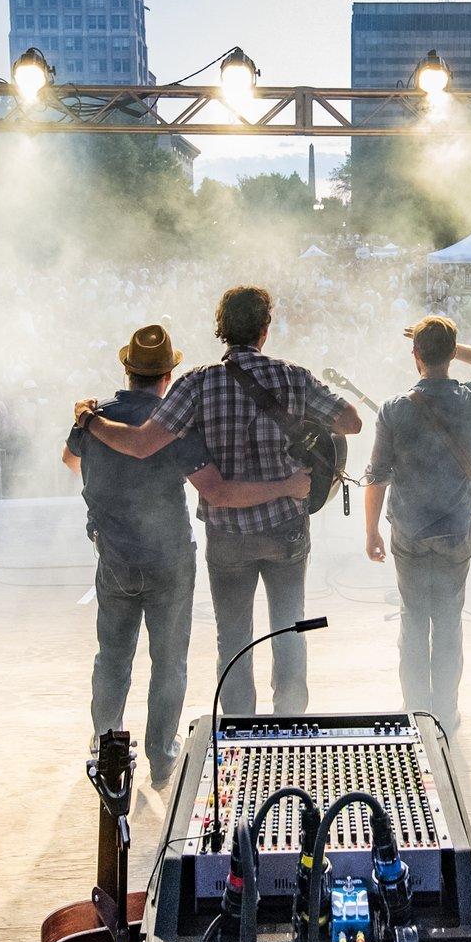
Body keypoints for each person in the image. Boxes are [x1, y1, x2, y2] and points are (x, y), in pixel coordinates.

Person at [83, 286, 362, 715]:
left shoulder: (196, 382)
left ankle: (238, 735)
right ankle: (288, 727)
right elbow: (351, 422)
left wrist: (90, 420)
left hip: (228, 535)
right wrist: (298, 433)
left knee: (233, 639)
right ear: (265, 330)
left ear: (222, 330)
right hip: (286, 530)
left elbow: (141, 445)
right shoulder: (294, 376)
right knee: (291, 630)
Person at [63, 324, 311, 787]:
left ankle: (105, 750)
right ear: (167, 375)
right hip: (168, 560)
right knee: (168, 661)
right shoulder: (175, 425)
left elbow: (70, 460)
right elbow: (216, 491)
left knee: (112, 658)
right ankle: (160, 756)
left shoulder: (95, 419)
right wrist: (289, 487)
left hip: (113, 558)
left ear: (126, 369)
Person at [362, 316, 471, 733]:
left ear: (415, 355)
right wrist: (453, 346)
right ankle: (445, 714)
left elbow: (376, 475)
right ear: (450, 355)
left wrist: (371, 531)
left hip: (408, 532)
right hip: (455, 531)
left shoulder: (395, 409)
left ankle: (415, 715)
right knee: (448, 621)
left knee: (413, 619)